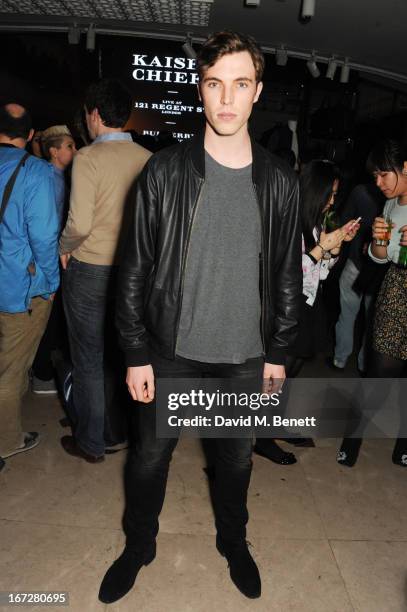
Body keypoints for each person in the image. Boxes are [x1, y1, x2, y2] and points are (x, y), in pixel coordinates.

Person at [98, 31, 302, 603]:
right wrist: (136, 352)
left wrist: (280, 354)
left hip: (244, 356)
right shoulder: (163, 173)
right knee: (149, 461)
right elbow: (132, 271)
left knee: (236, 461)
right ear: (201, 90)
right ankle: (139, 546)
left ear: (257, 91)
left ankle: (233, 541)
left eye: (240, 84)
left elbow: (287, 274)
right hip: (170, 351)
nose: (228, 99)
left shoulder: (279, 182)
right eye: (215, 84)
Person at [59, 79, 151, 463]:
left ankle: (92, 442)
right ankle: (121, 430)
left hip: (91, 269)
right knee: (124, 353)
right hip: (133, 274)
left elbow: (79, 224)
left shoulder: (87, 159)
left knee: (88, 357)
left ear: (94, 114)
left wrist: (63, 249)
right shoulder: (148, 158)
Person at [254, 160, 360, 465]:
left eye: (336, 194)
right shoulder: (286, 222)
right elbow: (283, 274)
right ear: (315, 191)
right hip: (286, 307)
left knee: (292, 373)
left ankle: (276, 424)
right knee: (276, 374)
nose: (332, 200)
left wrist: (333, 251)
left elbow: (319, 273)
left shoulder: (315, 222)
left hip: (308, 304)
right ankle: (262, 438)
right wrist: (319, 250)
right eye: (330, 193)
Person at [337, 139, 407, 467]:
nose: (378, 183)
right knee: (378, 374)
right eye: (376, 176)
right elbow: (381, 259)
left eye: (383, 175)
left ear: (405, 167)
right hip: (396, 290)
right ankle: (353, 440)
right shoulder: (391, 205)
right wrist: (378, 242)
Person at [0, 104, 59, 467]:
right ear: (32, 136)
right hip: (18, 290)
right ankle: (7, 441)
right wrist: (50, 282)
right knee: (11, 370)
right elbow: (44, 236)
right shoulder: (36, 172)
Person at [31, 125, 77, 394]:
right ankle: (42, 374)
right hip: (49, 260)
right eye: (69, 146)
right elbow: (45, 229)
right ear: (54, 151)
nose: (75, 150)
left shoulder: (62, 177)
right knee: (45, 320)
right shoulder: (48, 179)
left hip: (55, 258)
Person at [332, 183, 384, 372]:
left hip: (358, 265)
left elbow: (344, 221)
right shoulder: (397, 200)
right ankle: (363, 365)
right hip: (377, 272)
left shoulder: (360, 192)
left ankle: (340, 359)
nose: (379, 182)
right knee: (371, 323)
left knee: (348, 315)